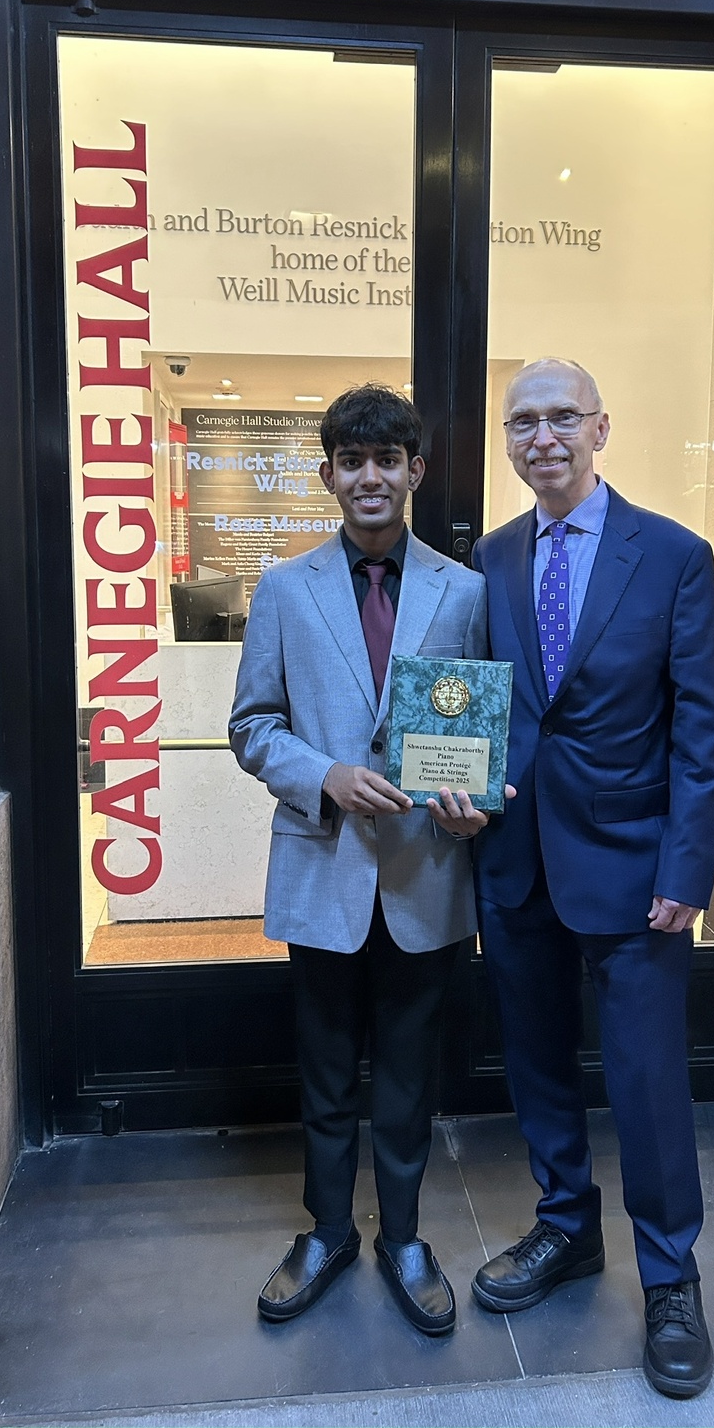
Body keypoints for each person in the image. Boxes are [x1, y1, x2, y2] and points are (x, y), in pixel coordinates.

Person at [470, 357, 714, 1398]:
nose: (543, 437)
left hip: (637, 869)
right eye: (523, 421)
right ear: (509, 440)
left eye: (561, 418)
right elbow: (481, 707)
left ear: (600, 428)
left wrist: (688, 868)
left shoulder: (671, 555)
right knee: (535, 1063)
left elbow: (703, 730)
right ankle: (565, 1228)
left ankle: (670, 1277)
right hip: (518, 859)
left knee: (647, 1083)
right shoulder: (488, 560)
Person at [228, 384, 488, 1336]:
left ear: (415, 472)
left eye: (389, 459)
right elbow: (251, 725)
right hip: (323, 865)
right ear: (329, 474)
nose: (370, 476)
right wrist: (324, 774)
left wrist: (473, 809)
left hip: (426, 874)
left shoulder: (465, 591)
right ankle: (329, 1230)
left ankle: (406, 1236)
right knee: (328, 1071)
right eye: (352, 460)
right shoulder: (284, 589)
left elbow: (478, 736)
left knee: (413, 1077)